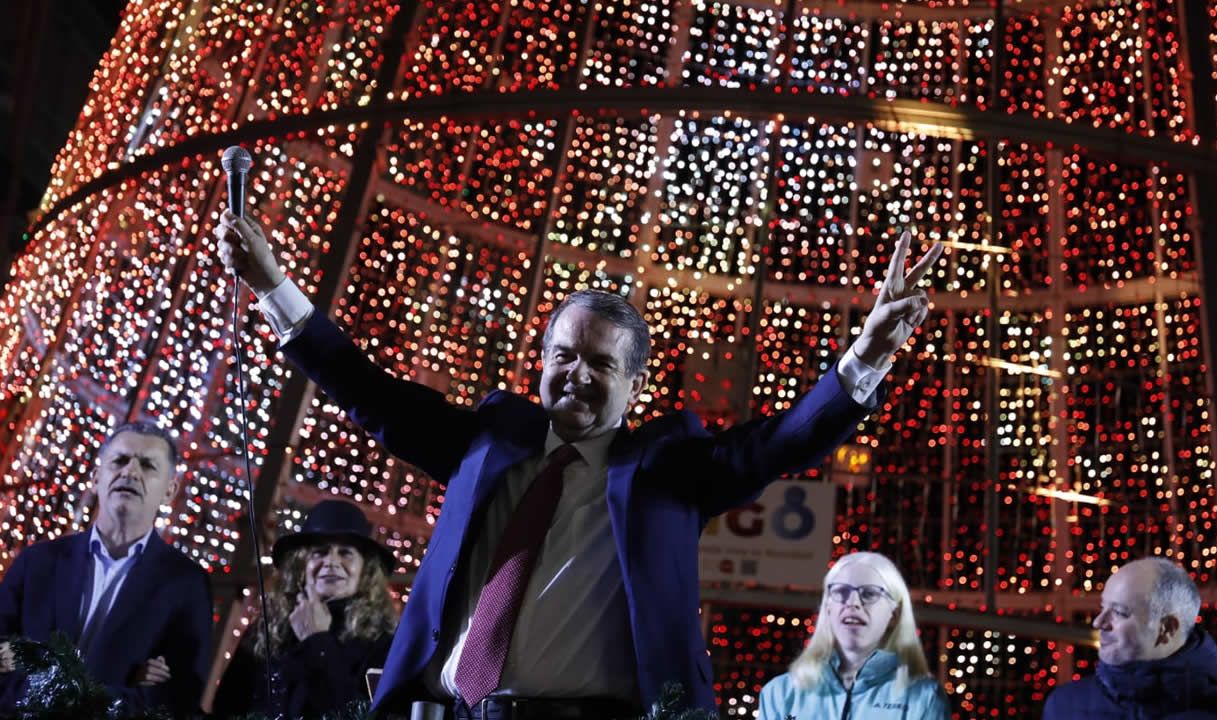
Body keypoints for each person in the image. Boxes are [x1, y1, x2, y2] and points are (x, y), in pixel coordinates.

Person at [215, 207, 942, 718]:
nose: (577, 375)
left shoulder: (668, 469)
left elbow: (779, 441)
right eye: (563, 356)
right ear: (541, 363)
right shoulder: (489, 441)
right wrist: (274, 289)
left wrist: (867, 355)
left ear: (636, 384)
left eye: (601, 364)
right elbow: (371, 394)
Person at [0, 421, 213, 716]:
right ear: (97, 476)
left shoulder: (186, 585)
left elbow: (178, 697)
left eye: (148, 465)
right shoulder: (38, 562)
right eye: (120, 460)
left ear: (169, 492)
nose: (130, 472)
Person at [214, 499, 399, 718]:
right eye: (319, 552)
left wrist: (317, 641)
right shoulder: (266, 627)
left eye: (345, 552)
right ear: (300, 565)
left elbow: (357, 714)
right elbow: (225, 708)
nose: (331, 562)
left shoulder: (383, 639)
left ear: (365, 569)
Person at [1043, 557, 1217, 719]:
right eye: (1102, 607)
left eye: (1119, 612)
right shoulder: (1064, 707)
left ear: (1166, 629)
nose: (1099, 622)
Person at [758, 552, 947, 720]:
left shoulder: (924, 698)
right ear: (828, 608)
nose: (853, 603)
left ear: (894, 614)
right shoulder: (780, 693)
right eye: (841, 592)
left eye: (869, 593)